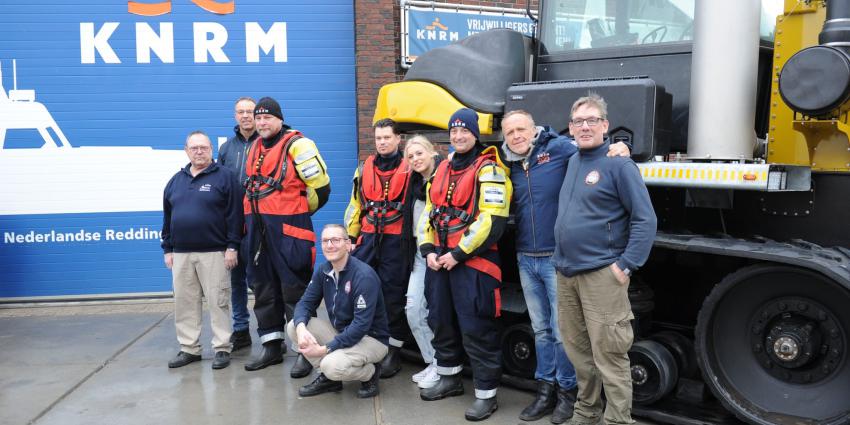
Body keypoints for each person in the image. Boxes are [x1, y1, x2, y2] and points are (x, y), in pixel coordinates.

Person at [500, 110, 629, 424]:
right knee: (541, 330)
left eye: (521, 129)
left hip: (556, 259)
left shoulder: (558, 148)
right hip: (525, 256)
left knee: (563, 334)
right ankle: (544, 390)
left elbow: (592, 150)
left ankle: (566, 394)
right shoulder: (508, 162)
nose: (516, 136)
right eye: (509, 132)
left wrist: (618, 146)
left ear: (535, 130)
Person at [552, 94, 657, 425]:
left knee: (610, 356)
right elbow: (530, 134)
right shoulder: (572, 160)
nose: (585, 127)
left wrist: (625, 265)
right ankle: (586, 413)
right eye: (578, 121)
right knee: (579, 354)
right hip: (567, 274)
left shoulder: (618, 164)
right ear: (570, 128)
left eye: (592, 120)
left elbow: (645, 219)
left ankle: (617, 420)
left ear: (605, 126)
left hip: (602, 275)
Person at [417, 108, 512, 421]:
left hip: (474, 263)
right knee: (440, 320)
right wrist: (428, 249)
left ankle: (486, 395)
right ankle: (449, 378)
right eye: (454, 131)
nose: (458, 136)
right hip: (439, 261)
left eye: (465, 131)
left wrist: (457, 253)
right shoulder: (442, 168)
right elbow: (429, 212)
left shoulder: (490, 169)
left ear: (475, 134)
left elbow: (492, 220)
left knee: (478, 328)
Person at [242, 97, 331, 376]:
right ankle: (271, 346)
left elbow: (322, 188)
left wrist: (298, 213)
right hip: (257, 231)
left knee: (295, 292)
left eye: (267, 117)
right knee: (263, 289)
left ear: (280, 119)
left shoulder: (298, 145)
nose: (262, 122)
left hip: (290, 231)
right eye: (258, 118)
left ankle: (305, 351)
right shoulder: (254, 146)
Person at [161, 130, 243, 370]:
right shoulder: (176, 180)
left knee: (218, 302)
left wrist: (232, 247)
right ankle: (189, 348)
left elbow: (235, 216)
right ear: (186, 151)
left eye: (203, 148)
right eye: (194, 148)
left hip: (215, 252)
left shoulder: (225, 177)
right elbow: (168, 217)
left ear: (211, 150)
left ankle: (222, 348)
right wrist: (168, 249)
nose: (199, 152)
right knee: (184, 303)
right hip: (181, 254)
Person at [343, 118, 414, 378]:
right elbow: (355, 205)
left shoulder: (410, 168)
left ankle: (393, 351)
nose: (382, 142)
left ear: (398, 139)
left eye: (387, 137)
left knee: (394, 296)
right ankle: (365, 341)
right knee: (360, 291)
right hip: (368, 239)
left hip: (396, 241)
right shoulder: (364, 169)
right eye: (378, 138)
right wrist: (351, 237)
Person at [287, 224, 390, 398]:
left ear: (348, 245)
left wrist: (325, 349)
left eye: (335, 240)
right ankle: (331, 380)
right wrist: (301, 328)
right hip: (343, 333)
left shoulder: (363, 276)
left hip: (371, 339)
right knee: (293, 326)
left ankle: (370, 373)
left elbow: (360, 326)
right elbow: (305, 303)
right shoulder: (324, 270)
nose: (330, 245)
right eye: (325, 241)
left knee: (330, 365)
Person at [217, 96, 259, 351]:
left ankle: (272, 332)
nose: (245, 116)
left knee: (262, 280)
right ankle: (241, 330)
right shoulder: (227, 149)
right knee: (236, 282)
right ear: (235, 116)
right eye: (240, 112)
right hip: (233, 225)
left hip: (260, 223)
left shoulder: (267, 145)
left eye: (250, 112)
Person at [402, 135, 441, 388]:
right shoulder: (414, 183)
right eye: (411, 156)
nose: (415, 159)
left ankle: (442, 366)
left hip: (439, 253)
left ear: (432, 152)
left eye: (419, 153)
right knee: (413, 309)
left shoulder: (443, 179)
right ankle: (433, 362)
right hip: (418, 253)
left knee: (438, 313)